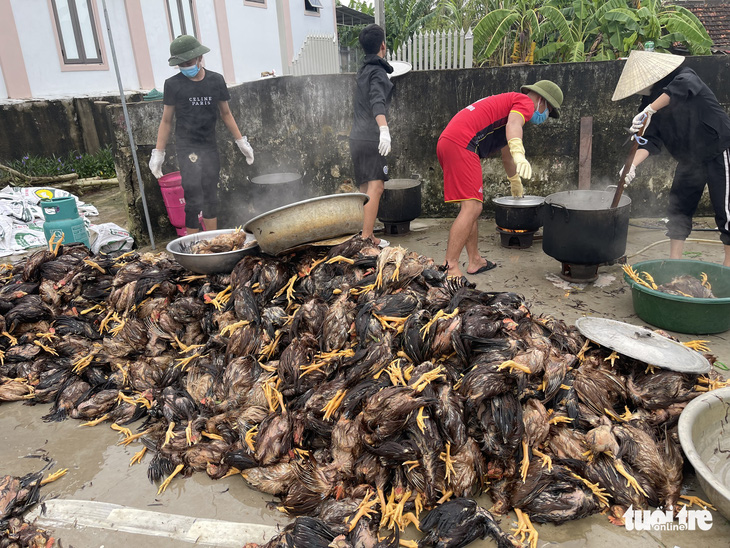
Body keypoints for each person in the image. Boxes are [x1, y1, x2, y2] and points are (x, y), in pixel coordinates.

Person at [613, 49, 730, 267]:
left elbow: (684, 87)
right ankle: (674, 263)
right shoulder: (647, 104)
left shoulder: (684, 76)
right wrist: (630, 167)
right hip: (688, 159)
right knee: (678, 208)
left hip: (718, 149)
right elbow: (649, 141)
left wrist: (650, 109)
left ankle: (727, 268)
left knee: (725, 210)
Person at [437, 81, 563, 277]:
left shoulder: (510, 105)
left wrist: (515, 182)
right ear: (541, 101)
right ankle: (450, 266)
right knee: (472, 208)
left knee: (471, 206)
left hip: (451, 142)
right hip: (462, 143)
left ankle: (475, 260)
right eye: (549, 110)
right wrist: (520, 152)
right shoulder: (525, 103)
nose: (545, 116)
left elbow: (506, 155)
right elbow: (514, 126)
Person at [149, 35, 254, 234]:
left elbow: (226, 113)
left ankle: (211, 241)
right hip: (187, 147)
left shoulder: (216, 80)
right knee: (192, 196)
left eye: (189, 62)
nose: (186, 67)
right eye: (181, 64)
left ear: (199, 58)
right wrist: (158, 153)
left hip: (209, 146)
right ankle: (193, 245)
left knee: (210, 194)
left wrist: (241, 142)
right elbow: (166, 120)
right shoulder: (173, 84)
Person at [349, 24, 393, 248]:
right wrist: (384, 130)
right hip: (369, 138)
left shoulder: (363, 70)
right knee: (376, 187)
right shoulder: (377, 72)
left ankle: (363, 236)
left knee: (365, 189)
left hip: (356, 138)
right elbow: (377, 101)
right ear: (383, 46)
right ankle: (367, 239)